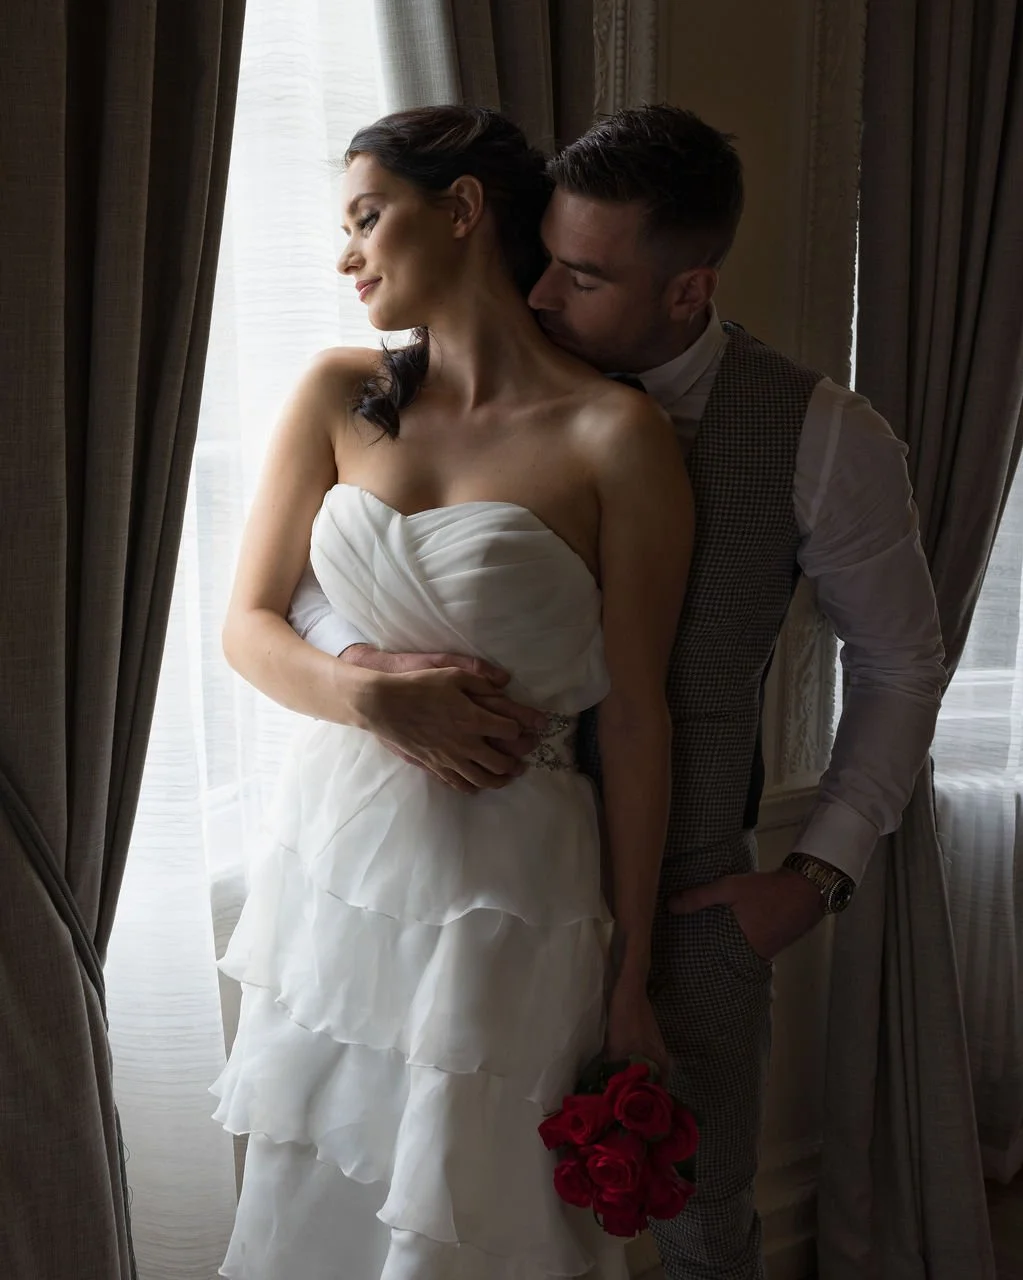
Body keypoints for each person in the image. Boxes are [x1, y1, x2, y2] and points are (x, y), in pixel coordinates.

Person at [285, 105, 946, 1280]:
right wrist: (371, 672)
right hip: (448, 880)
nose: (540, 297)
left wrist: (814, 876)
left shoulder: (821, 437)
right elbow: (365, 573)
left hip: (683, 897)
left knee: (689, 1221)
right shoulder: (446, 387)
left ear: (688, 290)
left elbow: (898, 663)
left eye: (582, 277)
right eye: (543, 256)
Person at [212, 104, 693, 1280]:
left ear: (465, 207)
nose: (346, 255)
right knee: (317, 1195)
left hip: (509, 896)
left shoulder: (613, 434)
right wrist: (366, 696)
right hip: (338, 869)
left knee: (471, 1219)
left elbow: (635, 716)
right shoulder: (339, 393)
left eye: (368, 216)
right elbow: (244, 626)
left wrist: (630, 979)